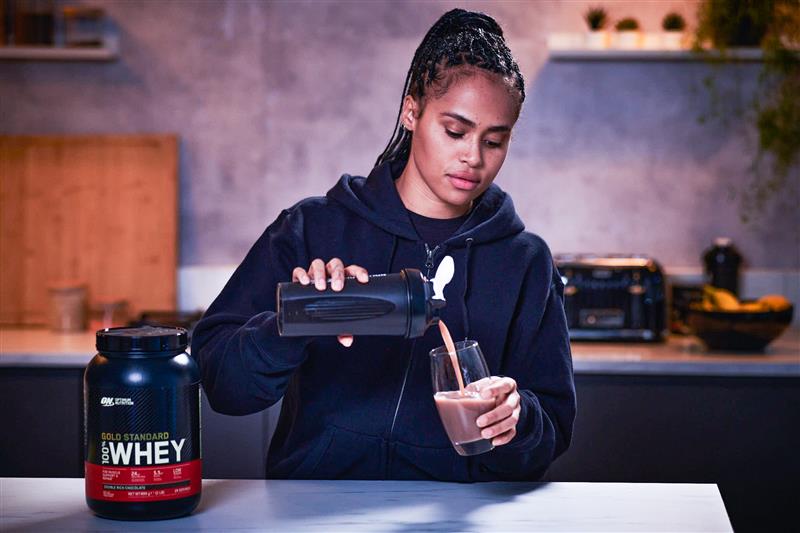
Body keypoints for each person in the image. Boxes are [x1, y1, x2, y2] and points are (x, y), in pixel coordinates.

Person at [191, 8, 576, 481]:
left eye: (494, 141)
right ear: (411, 112)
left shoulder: (524, 262)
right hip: (315, 509)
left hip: (453, 514)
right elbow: (221, 385)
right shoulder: (314, 228)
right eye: (454, 131)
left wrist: (516, 421)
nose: (472, 157)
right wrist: (295, 321)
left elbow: (551, 430)